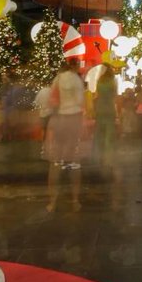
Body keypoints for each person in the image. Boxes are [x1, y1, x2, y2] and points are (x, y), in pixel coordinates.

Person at [42, 63, 86, 213]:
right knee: (74, 162)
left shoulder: (58, 79)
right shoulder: (78, 80)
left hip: (60, 120)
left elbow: (51, 102)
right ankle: (75, 200)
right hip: (74, 121)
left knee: (56, 162)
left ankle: (52, 202)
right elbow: (81, 102)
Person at [93, 64, 119, 167]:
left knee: (100, 134)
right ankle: (108, 159)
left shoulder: (99, 81)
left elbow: (97, 95)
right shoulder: (113, 82)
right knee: (109, 135)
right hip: (109, 109)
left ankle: (99, 157)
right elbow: (115, 96)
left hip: (100, 109)